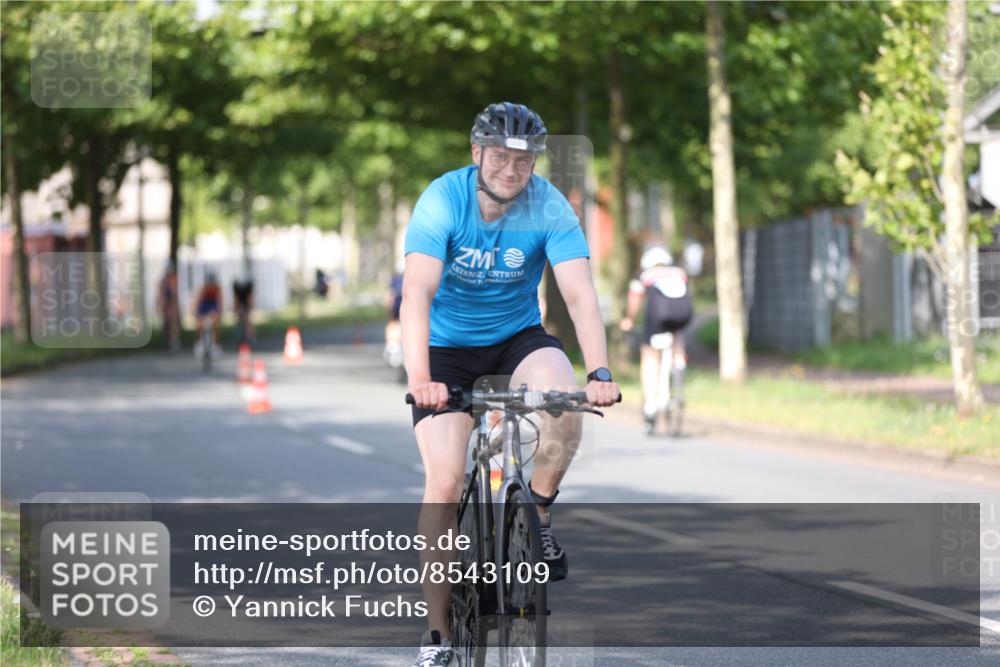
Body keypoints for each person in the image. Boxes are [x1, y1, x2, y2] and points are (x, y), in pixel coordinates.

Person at [404, 101, 621, 666]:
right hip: (445, 353)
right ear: (477, 153)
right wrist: (421, 380)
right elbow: (416, 296)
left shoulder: (549, 205)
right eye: (500, 156)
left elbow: (579, 296)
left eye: (523, 160)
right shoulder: (442, 200)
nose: (511, 169)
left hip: (516, 337)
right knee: (447, 480)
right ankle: (438, 636)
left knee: (562, 403)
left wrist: (599, 373)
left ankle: (540, 510)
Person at [619, 245, 694, 433]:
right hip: (681, 316)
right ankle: (679, 364)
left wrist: (629, 320)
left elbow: (635, 300)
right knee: (677, 335)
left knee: (650, 357)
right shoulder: (679, 272)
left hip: (657, 318)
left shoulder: (644, 274)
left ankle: (650, 407)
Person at [384, 263, 405, 376]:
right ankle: (393, 347)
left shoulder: (396, 280)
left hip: (400, 307)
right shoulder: (407, 279)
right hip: (403, 307)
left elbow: (389, 297)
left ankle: (392, 346)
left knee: (393, 325)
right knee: (397, 326)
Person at [193, 272, 223, 352]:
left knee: (216, 324)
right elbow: (197, 303)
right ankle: (200, 342)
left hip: (213, 306)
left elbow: (220, 303)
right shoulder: (203, 289)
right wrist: (198, 315)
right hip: (203, 307)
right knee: (199, 324)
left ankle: (216, 344)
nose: (211, 285)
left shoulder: (217, 288)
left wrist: (218, 313)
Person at [232, 277, 254, 345]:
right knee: (241, 320)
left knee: (247, 321)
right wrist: (236, 307)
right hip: (242, 303)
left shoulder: (248, 287)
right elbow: (237, 298)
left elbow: (249, 297)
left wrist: (250, 307)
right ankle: (241, 337)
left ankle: (249, 337)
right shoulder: (237, 287)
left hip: (245, 303)